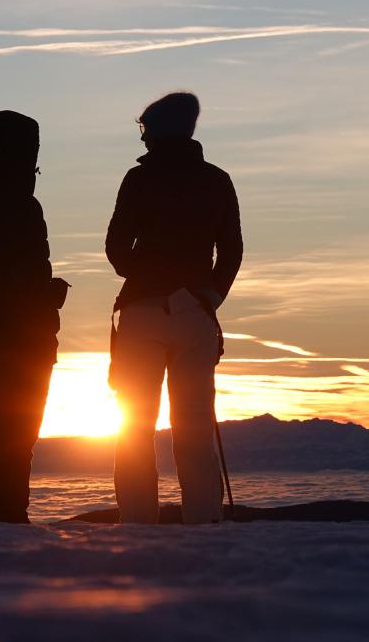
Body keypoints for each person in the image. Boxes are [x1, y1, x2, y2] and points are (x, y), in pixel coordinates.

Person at [106, 92, 243, 524]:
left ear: (159, 130)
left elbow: (114, 248)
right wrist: (209, 296)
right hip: (197, 313)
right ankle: (204, 522)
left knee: (134, 424)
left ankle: (137, 523)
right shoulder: (217, 180)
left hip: (141, 311)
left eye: (144, 128)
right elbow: (232, 251)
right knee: (195, 425)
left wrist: (144, 277)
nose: (142, 138)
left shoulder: (138, 179)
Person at [0, 110, 69, 523]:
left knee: (8, 424)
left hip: (0, 330)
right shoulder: (15, 204)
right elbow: (0, 277)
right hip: (19, 333)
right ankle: (1, 513)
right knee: (12, 425)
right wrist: (47, 295)